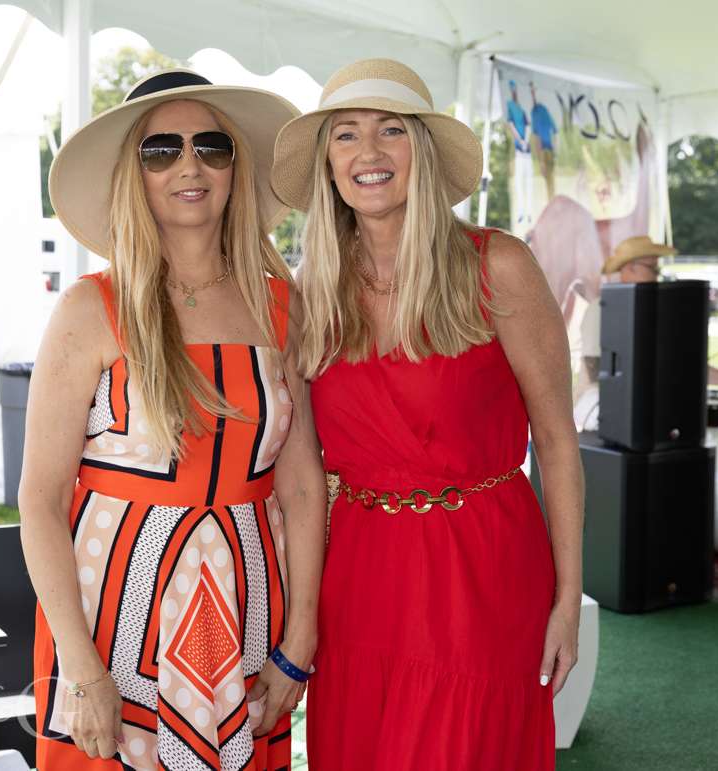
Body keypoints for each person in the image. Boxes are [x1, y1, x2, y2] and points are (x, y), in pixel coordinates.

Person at [271, 58, 584, 770]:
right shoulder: (312, 292)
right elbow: (300, 469)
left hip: (483, 573)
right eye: (346, 135)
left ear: (424, 151)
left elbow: (557, 440)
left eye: (391, 130)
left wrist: (568, 599)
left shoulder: (498, 265)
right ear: (328, 165)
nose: (369, 152)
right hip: (361, 577)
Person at [20, 69, 327, 770]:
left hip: (249, 616)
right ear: (135, 174)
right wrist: (81, 665)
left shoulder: (282, 306)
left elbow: (303, 486)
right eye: (161, 151)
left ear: (234, 168)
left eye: (212, 147)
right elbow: (40, 499)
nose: (190, 165)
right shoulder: (90, 308)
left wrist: (300, 638)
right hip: (108, 623)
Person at [574, 236, 718, 430]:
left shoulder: (655, 313)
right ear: (630, 267)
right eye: (652, 268)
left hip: (640, 412)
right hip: (597, 409)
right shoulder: (600, 309)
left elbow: (688, 370)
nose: (657, 275)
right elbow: (595, 370)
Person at [507, 79, 534, 225]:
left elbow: (528, 125)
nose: (514, 93)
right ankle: (521, 212)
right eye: (513, 90)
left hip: (526, 151)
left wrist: (526, 141)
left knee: (528, 182)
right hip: (520, 150)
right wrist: (521, 141)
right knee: (519, 182)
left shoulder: (521, 110)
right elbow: (511, 125)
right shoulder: (510, 107)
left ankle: (528, 213)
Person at [529, 81, 558, 201]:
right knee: (549, 177)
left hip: (547, 150)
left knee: (549, 177)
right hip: (547, 150)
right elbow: (541, 138)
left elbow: (539, 139)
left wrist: (541, 160)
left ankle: (551, 198)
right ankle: (551, 198)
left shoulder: (538, 114)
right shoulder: (540, 113)